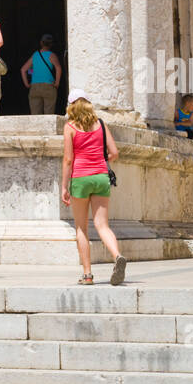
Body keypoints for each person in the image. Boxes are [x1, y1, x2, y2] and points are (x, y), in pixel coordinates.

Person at [61, 91, 126, 286]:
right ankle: (117, 256)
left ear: (71, 105)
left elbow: (68, 159)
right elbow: (114, 153)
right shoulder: (101, 125)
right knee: (102, 225)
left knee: (81, 227)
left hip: (80, 178)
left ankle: (87, 275)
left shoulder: (70, 127)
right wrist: (100, 159)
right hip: (100, 177)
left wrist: (64, 186)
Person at [21, 33, 62, 114]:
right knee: (49, 113)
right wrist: (57, 83)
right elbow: (58, 68)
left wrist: (27, 84)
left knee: (35, 115)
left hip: (34, 87)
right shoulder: (52, 55)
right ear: (51, 44)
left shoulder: (35, 55)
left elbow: (23, 69)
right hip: (48, 86)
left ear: (41, 43)